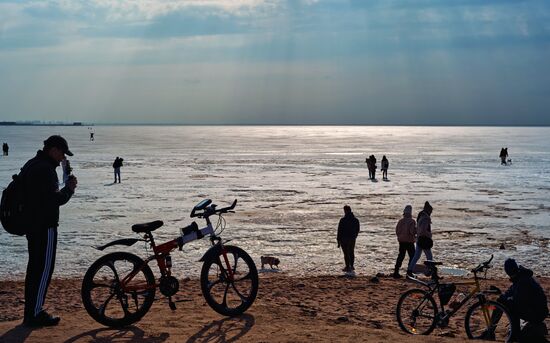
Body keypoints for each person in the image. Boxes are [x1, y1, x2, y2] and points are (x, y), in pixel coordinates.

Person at [21, 135, 77, 326]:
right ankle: (34, 314)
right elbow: (54, 200)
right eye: (62, 153)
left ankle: (31, 312)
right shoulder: (45, 170)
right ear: (53, 150)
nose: (63, 158)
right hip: (44, 226)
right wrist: (69, 189)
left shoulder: (32, 164)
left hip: (32, 225)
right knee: (43, 269)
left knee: (34, 269)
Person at [483, 259, 549, 342]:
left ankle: (514, 334)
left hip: (537, 313)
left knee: (510, 306)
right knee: (503, 302)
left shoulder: (523, 280)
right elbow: (510, 292)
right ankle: (490, 330)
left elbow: (519, 301)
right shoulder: (519, 277)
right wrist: (502, 297)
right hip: (534, 309)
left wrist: (505, 300)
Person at [407, 201, 433, 277]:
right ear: (429, 210)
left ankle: (409, 270)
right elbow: (423, 230)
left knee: (416, 256)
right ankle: (431, 272)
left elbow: (418, 229)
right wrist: (429, 234)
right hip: (424, 240)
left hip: (419, 239)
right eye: (431, 211)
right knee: (429, 257)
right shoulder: (426, 218)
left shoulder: (420, 216)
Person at [393, 205, 416, 278]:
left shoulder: (400, 221)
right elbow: (412, 231)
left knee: (401, 256)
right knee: (412, 256)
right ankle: (409, 272)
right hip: (409, 241)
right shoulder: (412, 221)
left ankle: (396, 271)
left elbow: (397, 231)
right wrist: (416, 231)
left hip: (402, 241)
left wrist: (400, 237)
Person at [337, 205, 360, 273]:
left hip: (344, 238)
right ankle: (352, 266)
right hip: (352, 238)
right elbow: (358, 229)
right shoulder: (355, 220)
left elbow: (339, 231)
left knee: (346, 253)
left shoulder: (343, 220)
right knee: (351, 252)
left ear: (345, 210)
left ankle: (347, 267)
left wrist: (338, 240)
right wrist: (355, 236)